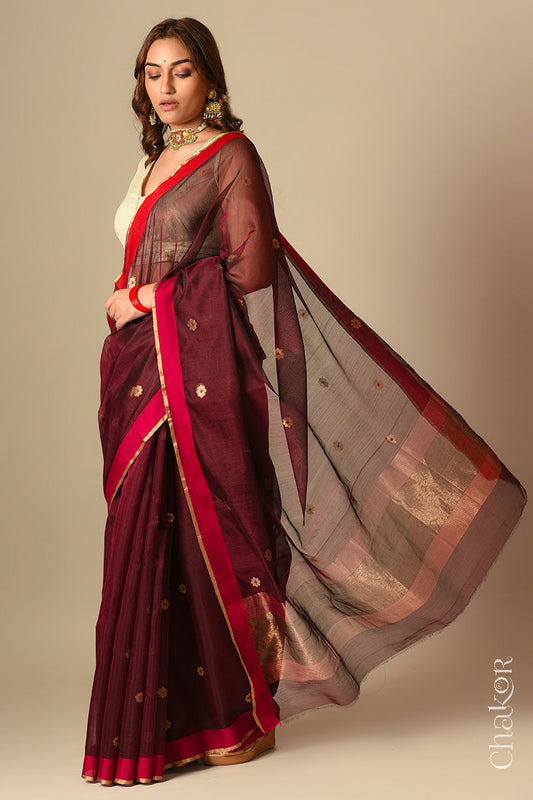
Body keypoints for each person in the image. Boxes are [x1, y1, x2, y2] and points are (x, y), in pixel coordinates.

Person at [81, 17, 528, 787]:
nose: (164, 87)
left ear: (209, 79)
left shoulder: (230, 159)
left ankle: (227, 721)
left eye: (180, 72)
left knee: (199, 539)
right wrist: (129, 302)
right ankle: (154, 724)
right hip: (136, 374)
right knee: (141, 540)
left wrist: (150, 297)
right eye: (152, 73)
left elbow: (248, 275)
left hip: (192, 378)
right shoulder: (151, 161)